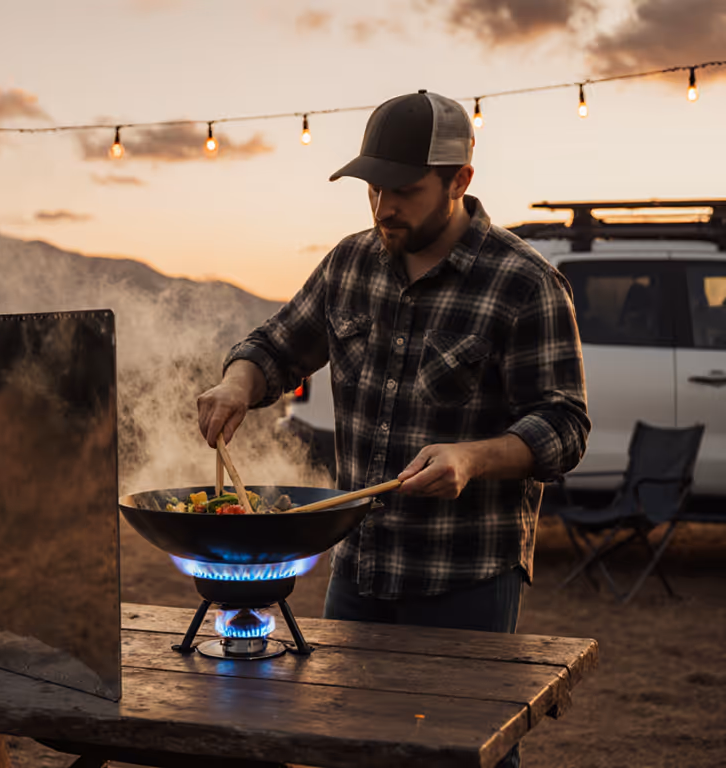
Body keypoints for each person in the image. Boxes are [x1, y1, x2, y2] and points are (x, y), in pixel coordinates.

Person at [196, 90, 590, 768]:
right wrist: (238, 381)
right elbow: (276, 346)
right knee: (349, 743)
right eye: (373, 188)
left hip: (464, 577)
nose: (383, 207)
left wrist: (471, 459)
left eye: (404, 190)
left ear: (460, 181)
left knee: (461, 750)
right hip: (359, 566)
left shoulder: (525, 284)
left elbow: (565, 426)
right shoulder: (349, 265)